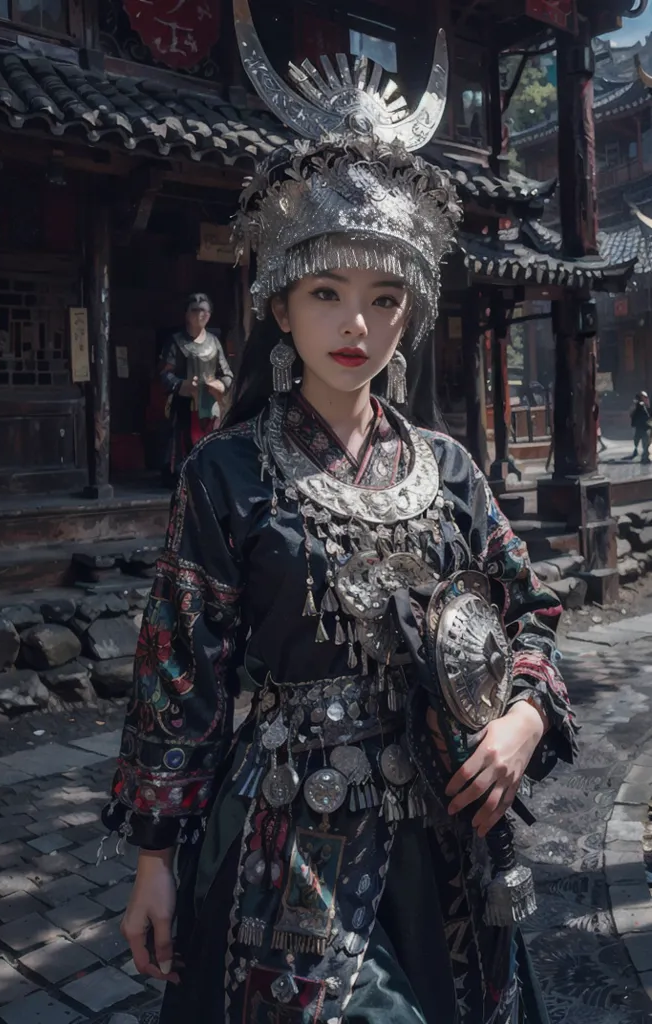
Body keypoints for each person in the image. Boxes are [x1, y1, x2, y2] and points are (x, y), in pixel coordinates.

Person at [102, 12, 576, 1024]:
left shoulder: (447, 469)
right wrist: (154, 859)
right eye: (324, 292)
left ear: (408, 311)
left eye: (380, 298)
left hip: (446, 838)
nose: (353, 324)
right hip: (286, 842)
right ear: (278, 305)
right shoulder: (225, 475)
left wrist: (523, 719)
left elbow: (530, 613)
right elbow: (176, 675)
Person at [158, 293, 233, 484]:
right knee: (184, 446)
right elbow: (165, 374)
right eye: (196, 310)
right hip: (185, 404)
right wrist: (182, 385)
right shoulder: (176, 341)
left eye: (205, 311)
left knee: (210, 445)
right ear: (187, 314)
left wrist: (221, 384)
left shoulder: (214, 342)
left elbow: (227, 374)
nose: (200, 315)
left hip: (211, 405)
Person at [630, 391, 651, 463]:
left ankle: (645, 456)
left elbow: (648, 416)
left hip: (645, 427)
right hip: (641, 426)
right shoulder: (639, 405)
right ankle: (642, 454)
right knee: (638, 440)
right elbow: (634, 415)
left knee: (645, 442)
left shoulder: (646, 406)